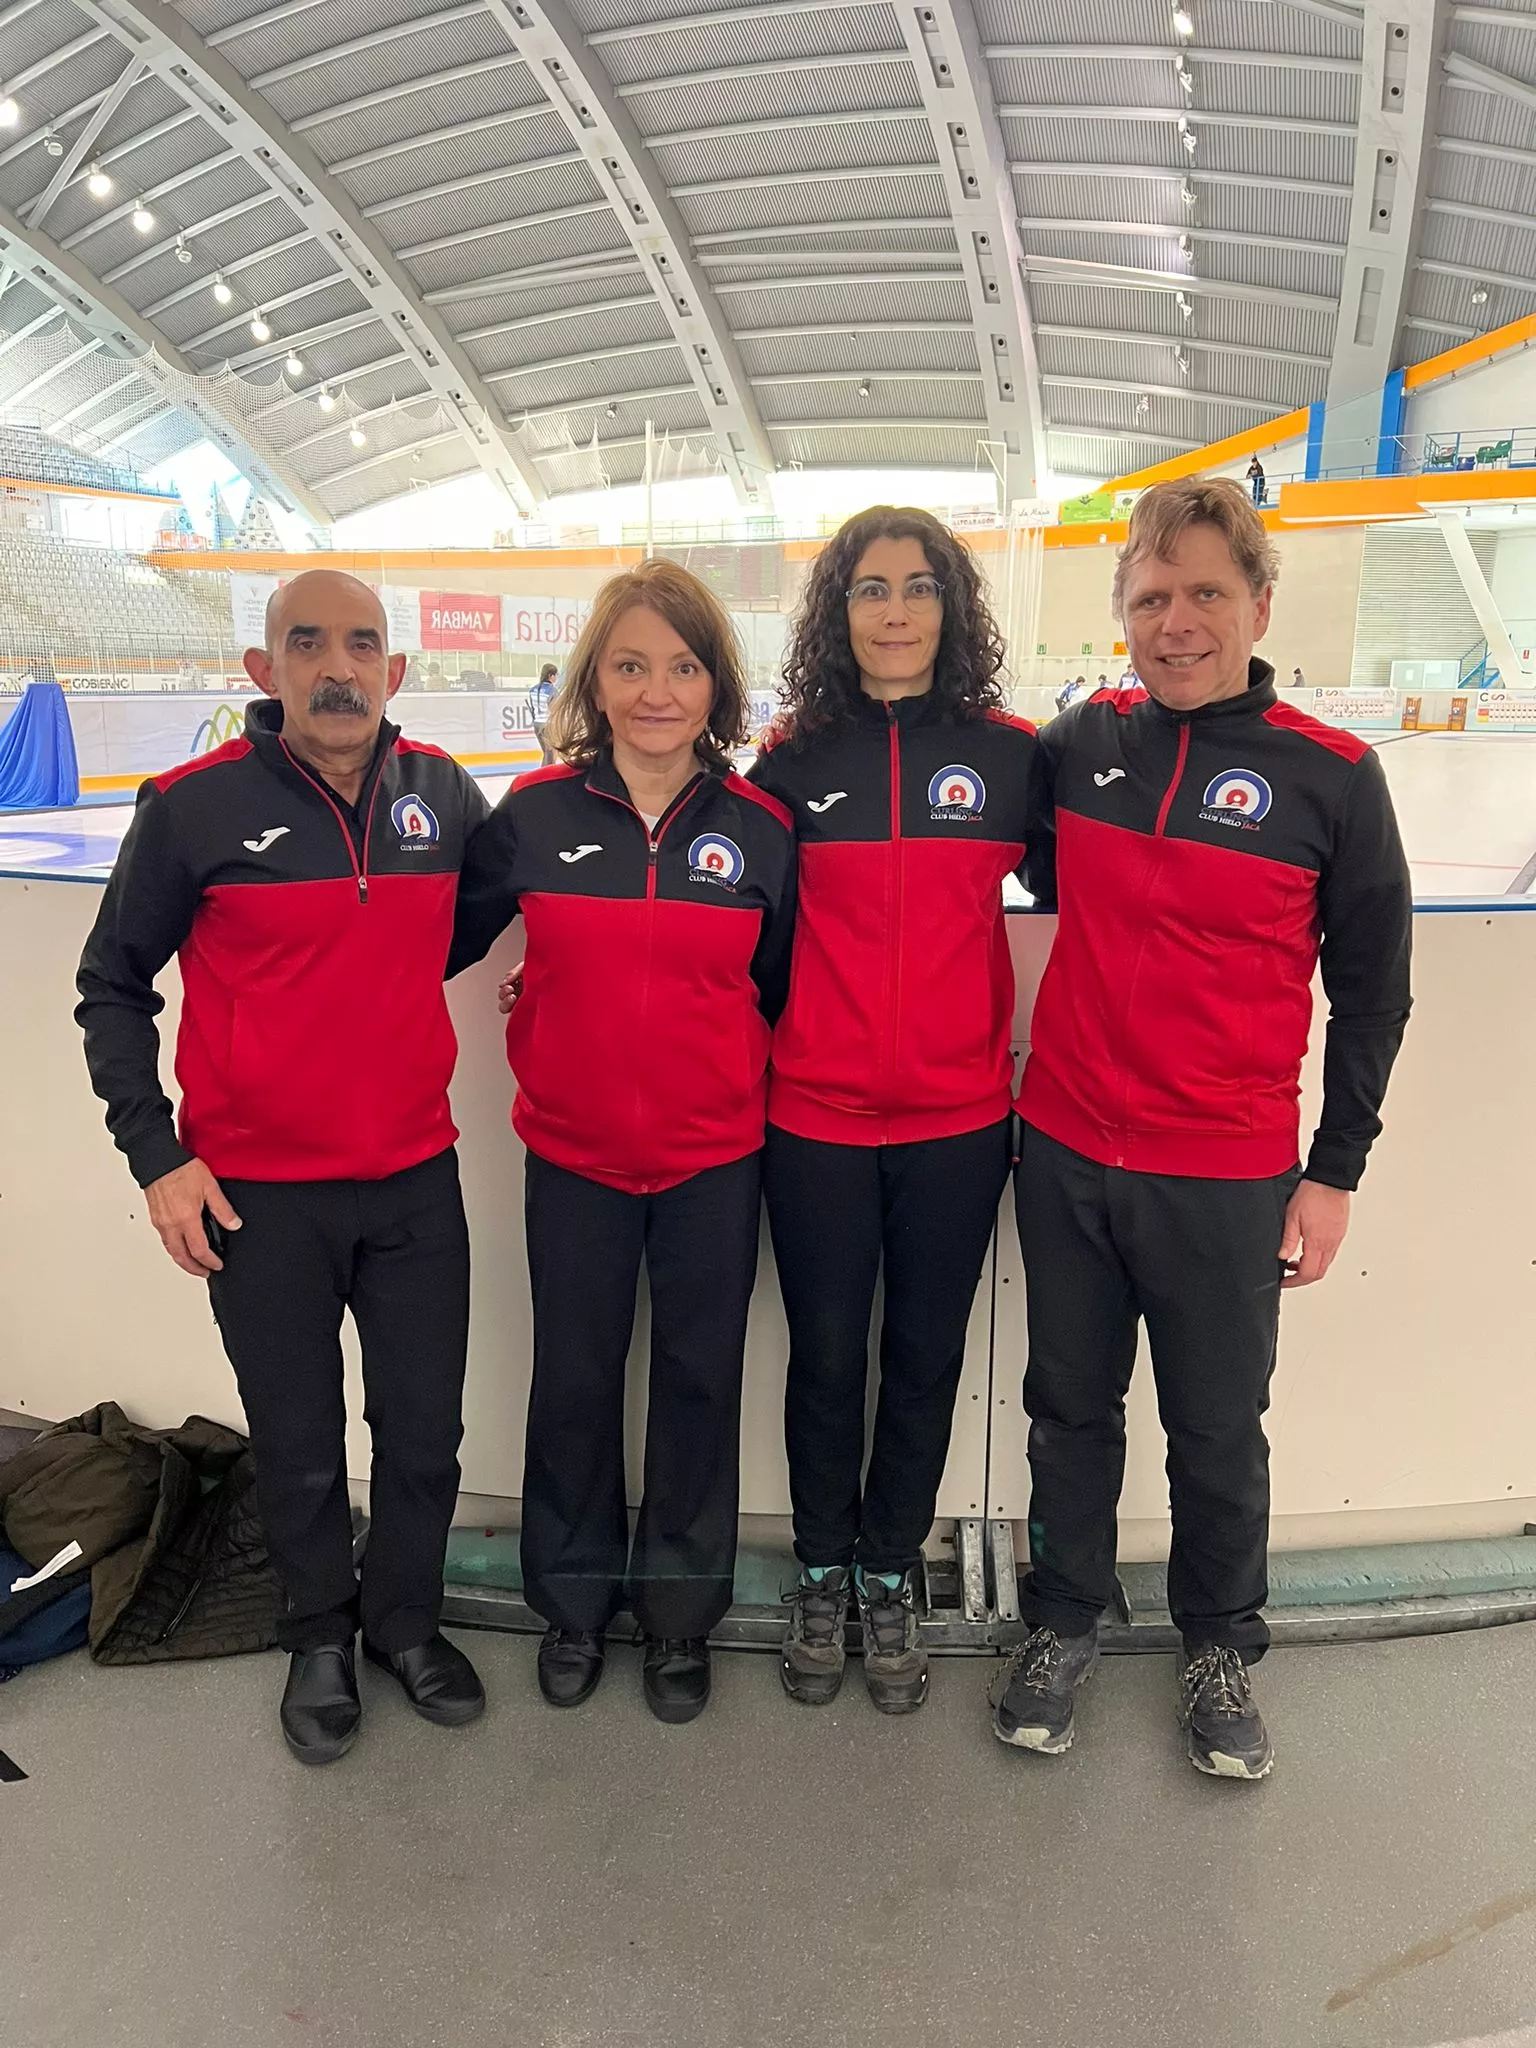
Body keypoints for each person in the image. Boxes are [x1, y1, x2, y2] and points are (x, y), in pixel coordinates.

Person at [990, 478, 1412, 1779]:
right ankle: (1062, 1621)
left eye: (1205, 594)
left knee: (1217, 1426)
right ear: (1122, 615)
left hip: (1225, 1173)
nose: (1177, 622)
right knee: (1066, 1408)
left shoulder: (1334, 777)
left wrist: (1331, 1174)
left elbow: (1375, 990)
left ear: (1259, 604)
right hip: (1062, 1146)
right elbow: (1020, 875)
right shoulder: (1078, 747)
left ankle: (1220, 1644)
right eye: (1151, 598)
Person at [75, 570, 492, 1766]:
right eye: (306, 643)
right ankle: (320, 1631)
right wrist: (158, 1156)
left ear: (397, 673)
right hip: (261, 1196)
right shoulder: (192, 806)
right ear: (265, 672)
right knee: (297, 1435)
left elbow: (471, 925)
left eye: (363, 644)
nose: (338, 667)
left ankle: (403, 1622)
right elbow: (111, 985)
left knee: (422, 1432)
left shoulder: (446, 796)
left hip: (416, 1179)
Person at [450, 560, 796, 1725]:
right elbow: (434, 939)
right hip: (577, 1158)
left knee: (699, 1386)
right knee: (576, 1379)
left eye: (684, 665)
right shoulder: (534, 818)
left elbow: (783, 988)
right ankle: (573, 1604)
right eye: (632, 664)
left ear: (716, 684)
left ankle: (681, 1620)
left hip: (713, 1160)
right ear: (596, 679)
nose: (658, 690)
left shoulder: (759, 831)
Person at [748, 507, 1043, 1714]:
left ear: (951, 608)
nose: (897, 610)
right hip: (811, 1120)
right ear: (839, 611)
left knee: (923, 1361)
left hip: (959, 1122)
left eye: (920, 587)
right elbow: (742, 938)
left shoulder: (1013, 756)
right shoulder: (790, 765)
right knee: (825, 1358)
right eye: (871, 589)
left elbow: (1104, 891)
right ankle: (819, 1568)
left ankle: (888, 1572)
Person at [530, 660, 559, 764]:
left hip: (537, 723)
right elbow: (554, 709)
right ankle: (547, 777)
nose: (556, 678)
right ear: (551, 675)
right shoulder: (552, 690)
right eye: (555, 675)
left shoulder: (533, 690)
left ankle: (543, 774)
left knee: (546, 753)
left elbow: (533, 709)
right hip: (547, 724)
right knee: (551, 755)